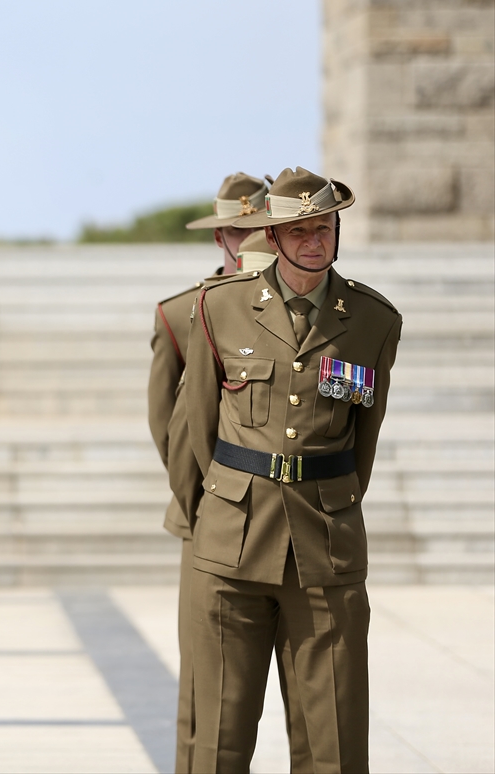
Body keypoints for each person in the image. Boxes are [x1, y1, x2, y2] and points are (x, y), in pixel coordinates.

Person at [182, 166, 401, 771]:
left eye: (324, 226)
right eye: (298, 229)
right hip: (233, 542)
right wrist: (215, 513)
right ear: (271, 238)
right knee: (218, 740)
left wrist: (331, 505)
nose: (313, 240)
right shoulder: (218, 308)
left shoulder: (375, 321)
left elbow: (366, 437)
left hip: (324, 546)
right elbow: (194, 430)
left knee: (332, 736)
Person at [150, 174, 309, 772]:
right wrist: (211, 504)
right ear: (222, 236)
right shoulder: (185, 312)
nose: (249, 242)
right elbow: (172, 425)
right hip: (212, 516)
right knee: (207, 701)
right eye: (239, 232)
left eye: (258, 229)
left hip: (290, 519)